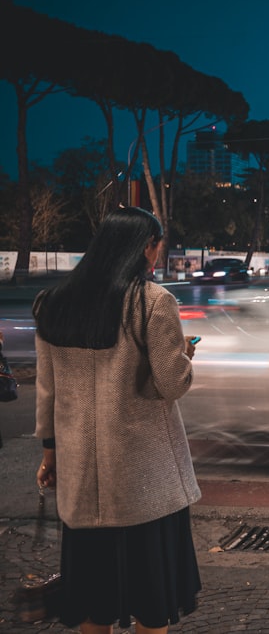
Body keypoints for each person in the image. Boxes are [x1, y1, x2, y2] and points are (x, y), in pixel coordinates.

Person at [33, 207, 202, 634]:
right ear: (145, 247)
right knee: (152, 605)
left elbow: (46, 390)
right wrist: (185, 355)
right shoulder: (152, 302)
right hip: (144, 483)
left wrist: (49, 452)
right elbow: (171, 383)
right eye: (156, 248)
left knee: (92, 602)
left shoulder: (54, 303)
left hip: (81, 479)